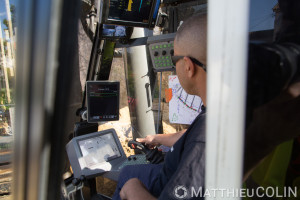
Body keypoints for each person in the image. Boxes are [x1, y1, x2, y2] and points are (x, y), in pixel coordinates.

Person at [112, 13, 208, 200]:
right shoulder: (220, 111)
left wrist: (132, 187)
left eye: (174, 60)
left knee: (128, 176)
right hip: (170, 174)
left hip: (166, 183)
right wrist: (156, 137)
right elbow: (189, 136)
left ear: (188, 66)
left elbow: (197, 141)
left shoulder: (202, 144)